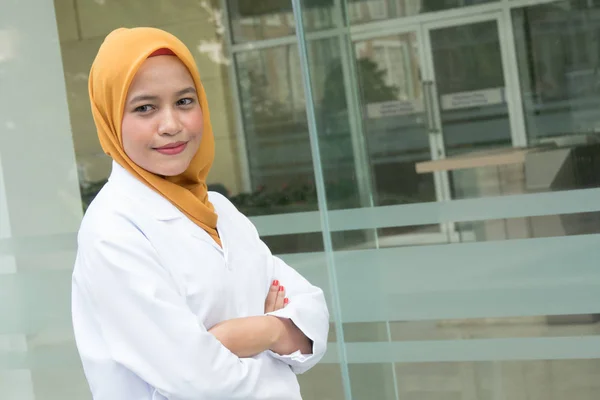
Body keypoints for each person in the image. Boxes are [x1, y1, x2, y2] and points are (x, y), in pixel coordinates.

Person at [71, 27, 329, 400]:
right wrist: (277, 335)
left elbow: (313, 316)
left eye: (185, 101)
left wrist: (263, 333)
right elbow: (198, 380)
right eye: (145, 108)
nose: (172, 125)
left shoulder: (217, 209)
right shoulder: (112, 230)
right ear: (110, 119)